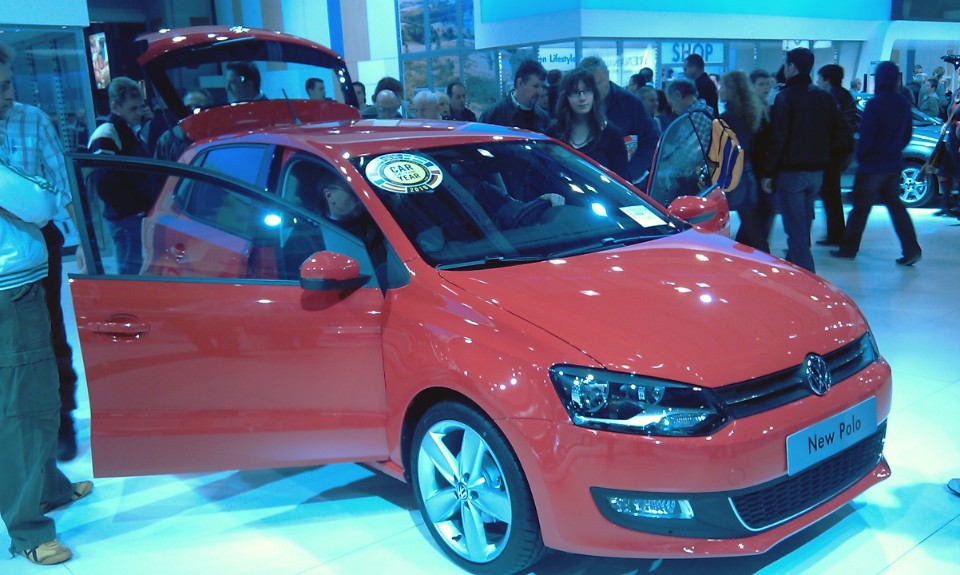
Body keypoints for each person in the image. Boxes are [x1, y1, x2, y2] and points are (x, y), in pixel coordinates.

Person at [0, 45, 93, 566]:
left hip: (29, 270)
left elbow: (56, 191)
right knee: (21, 406)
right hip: (8, 283)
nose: (6, 96)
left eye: (8, 84)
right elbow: (36, 202)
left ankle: (49, 486)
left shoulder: (31, 119)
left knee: (38, 383)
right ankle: (28, 529)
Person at [761, 48, 852, 273]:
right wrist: (823, 151)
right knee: (802, 227)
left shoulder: (785, 97)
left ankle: (808, 280)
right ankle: (794, 267)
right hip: (816, 172)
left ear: (792, 67)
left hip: (791, 172)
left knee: (796, 232)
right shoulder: (824, 97)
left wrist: (769, 171)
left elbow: (779, 138)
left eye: (786, 64)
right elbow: (843, 133)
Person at [830, 61, 922, 266]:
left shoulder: (875, 104)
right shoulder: (903, 103)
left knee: (860, 210)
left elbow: (867, 136)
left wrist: (861, 157)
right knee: (897, 209)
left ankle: (848, 249)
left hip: (872, 166)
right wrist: (894, 149)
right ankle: (912, 249)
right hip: (893, 164)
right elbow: (907, 134)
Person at [88, 76, 154, 275]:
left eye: (140, 107)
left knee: (135, 271)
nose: (139, 113)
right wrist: (133, 208)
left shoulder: (130, 132)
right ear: (115, 106)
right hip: (125, 219)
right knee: (129, 274)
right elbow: (104, 184)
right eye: (133, 109)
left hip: (135, 216)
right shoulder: (107, 135)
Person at [580, 55, 660, 185]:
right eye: (588, 86)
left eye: (598, 83)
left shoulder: (631, 104)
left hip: (626, 185)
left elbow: (651, 140)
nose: (594, 90)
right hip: (586, 182)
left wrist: (630, 174)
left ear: (608, 75)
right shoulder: (575, 105)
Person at [547, 67, 630, 180]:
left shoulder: (611, 134)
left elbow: (623, 181)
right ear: (565, 97)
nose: (582, 98)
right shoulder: (553, 132)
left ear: (594, 94)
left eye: (587, 91)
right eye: (575, 92)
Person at [720, 70, 767, 251]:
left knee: (748, 222)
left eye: (723, 86)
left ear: (732, 89)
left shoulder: (728, 117)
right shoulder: (749, 114)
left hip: (733, 174)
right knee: (749, 220)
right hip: (746, 171)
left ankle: (764, 258)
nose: (720, 90)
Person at [814, 64, 857, 247]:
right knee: (832, 192)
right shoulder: (846, 95)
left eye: (819, 78)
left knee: (830, 192)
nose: (817, 82)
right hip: (844, 150)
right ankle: (837, 232)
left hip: (833, 151)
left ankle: (836, 234)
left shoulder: (829, 98)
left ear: (826, 80)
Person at [480, 58, 550, 133]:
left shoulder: (543, 118)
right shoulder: (493, 114)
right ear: (520, 83)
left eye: (542, 86)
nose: (540, 92)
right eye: (535, 86)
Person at [154, 88, 211, 162]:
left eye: (197, 109)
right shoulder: (168, 138)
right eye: (187, 108)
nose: (191, 113)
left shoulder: (216, 136)